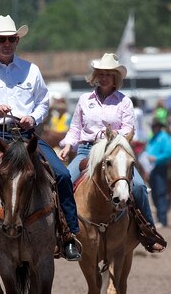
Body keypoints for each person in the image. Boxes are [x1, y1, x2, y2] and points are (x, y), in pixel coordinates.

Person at [0, 15, 82, 262]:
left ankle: (69, 234)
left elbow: (43, 102)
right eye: (2, 39)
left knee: (63, 175)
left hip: (27, 136)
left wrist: (32, 118)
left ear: (17, 41)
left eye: (11, 39)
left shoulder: (31, 70)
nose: (7, 43)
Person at [59, 53, 166, 253]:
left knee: (140, 187)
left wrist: (118, 135)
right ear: (96, 76)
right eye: (101, 73)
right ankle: (64, 233)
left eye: (109, 74)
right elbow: (75, 128)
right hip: (87, 151)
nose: (104, 77)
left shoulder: (124, 102)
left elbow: (129, 129)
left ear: (115, 77)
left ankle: (148, 232)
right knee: (64, 179)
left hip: (115, 152)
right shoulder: (84, 100)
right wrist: (67, 145)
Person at [138, 121, 171, 228]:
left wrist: (156, 158)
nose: (153, 128)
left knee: (160, 193)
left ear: (158, 127)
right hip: (151, 169)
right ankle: (160, 218)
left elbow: (168, 153)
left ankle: (163, 219)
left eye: (154, 126)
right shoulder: (153, 138)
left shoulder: (164, 137)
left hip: (159, 167)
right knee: (155, 194)